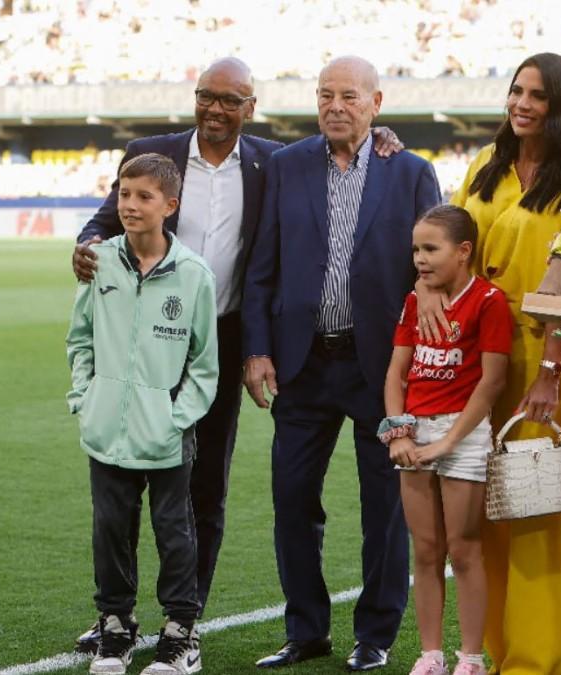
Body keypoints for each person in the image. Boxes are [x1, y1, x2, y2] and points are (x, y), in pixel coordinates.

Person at [70, 57, 402, 652]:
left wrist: (377, 132)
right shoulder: (154, 151)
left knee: (203, 484)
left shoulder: (270, 160)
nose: (216, 109)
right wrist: (87, 244)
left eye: (231, 100)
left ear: (251, 108)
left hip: (217, 341)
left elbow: (337, 147)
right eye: (206, 96)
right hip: (139, 340)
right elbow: (105, 219)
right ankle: (114, 614)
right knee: (120, 481)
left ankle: (184, 616)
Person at [242, 55, 441, 672]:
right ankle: (306, 630)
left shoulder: (410, 172)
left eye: (349, 96)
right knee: (292, 497)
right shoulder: (285, 165)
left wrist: (420, 363)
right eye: (325, 94)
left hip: (379, 368)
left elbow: (430, 274)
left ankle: (376, 634)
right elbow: (261, 265)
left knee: (385, 505)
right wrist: (256, 348)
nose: (335, 106)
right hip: (302, 364)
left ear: (375, 103)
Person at [441, 51, 561, 675]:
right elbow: (449, 241)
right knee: (485, 511)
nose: (521, 104)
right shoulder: (486, 167)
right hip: (480, 357)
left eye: (537, 96)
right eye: (516, 91)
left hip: (545, 356)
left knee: (538, 509)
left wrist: (551, 369)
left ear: (560, 107)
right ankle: (497, 650)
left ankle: (539, 658)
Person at [65, 153, 219, 675]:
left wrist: (176, 418)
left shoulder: (194, 274)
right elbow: (79, 338)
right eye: (124, 194)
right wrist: (86, 398)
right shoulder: (99, 262)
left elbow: (204, 363)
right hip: (106, 426)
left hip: (166, 433)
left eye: (144, 196)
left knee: (173, 532)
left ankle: (180, 634)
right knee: (110, 528)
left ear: (170, 206)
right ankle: (115, 628)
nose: (130, 205)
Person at [385, 205, 512, 675]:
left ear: (463, 251)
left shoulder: (490, 301)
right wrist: (397, 429)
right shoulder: (415, 300)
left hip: (464, 432)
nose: (419, 258)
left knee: (464, 547)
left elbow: (492, 383)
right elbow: (397, 372)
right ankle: (431, 654)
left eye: (430, 249)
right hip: (415, 431)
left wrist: (450, 441)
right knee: (425, 549)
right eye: (416, 249)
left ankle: (472, 658)